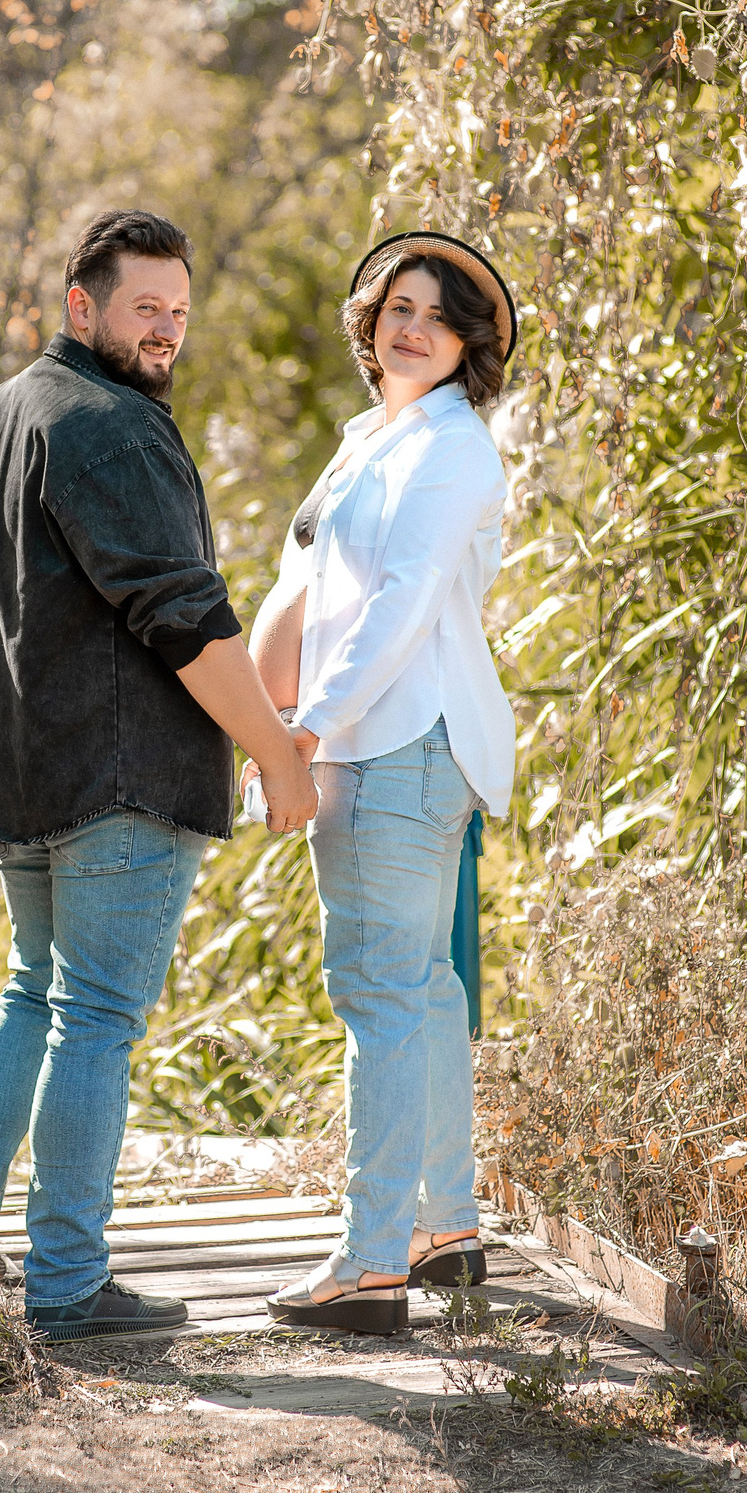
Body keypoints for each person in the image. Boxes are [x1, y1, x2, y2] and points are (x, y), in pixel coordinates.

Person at [0, 208, 319, 1342]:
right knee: (92, 1016)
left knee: (35, 994)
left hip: (25, 771)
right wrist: (274, 750)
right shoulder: (108, 424)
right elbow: (183, 617)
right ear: (81, 306)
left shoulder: (2, 412)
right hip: (116, 776)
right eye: (146, 306)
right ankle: (68, 1283)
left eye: (179, 312)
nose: (166, 330)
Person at [248, 230, 517, 1335]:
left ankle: (367, 1263)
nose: (410, 326)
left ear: (467, 347)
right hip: (377, 740)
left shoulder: (449, 450)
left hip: (394, 741)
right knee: (424, 989)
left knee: (379, 994)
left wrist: (310, 727)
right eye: (397, 306)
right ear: (368, 318)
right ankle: (446, 1225)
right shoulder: (375, 437)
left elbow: (400, 606)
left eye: (437, 316)